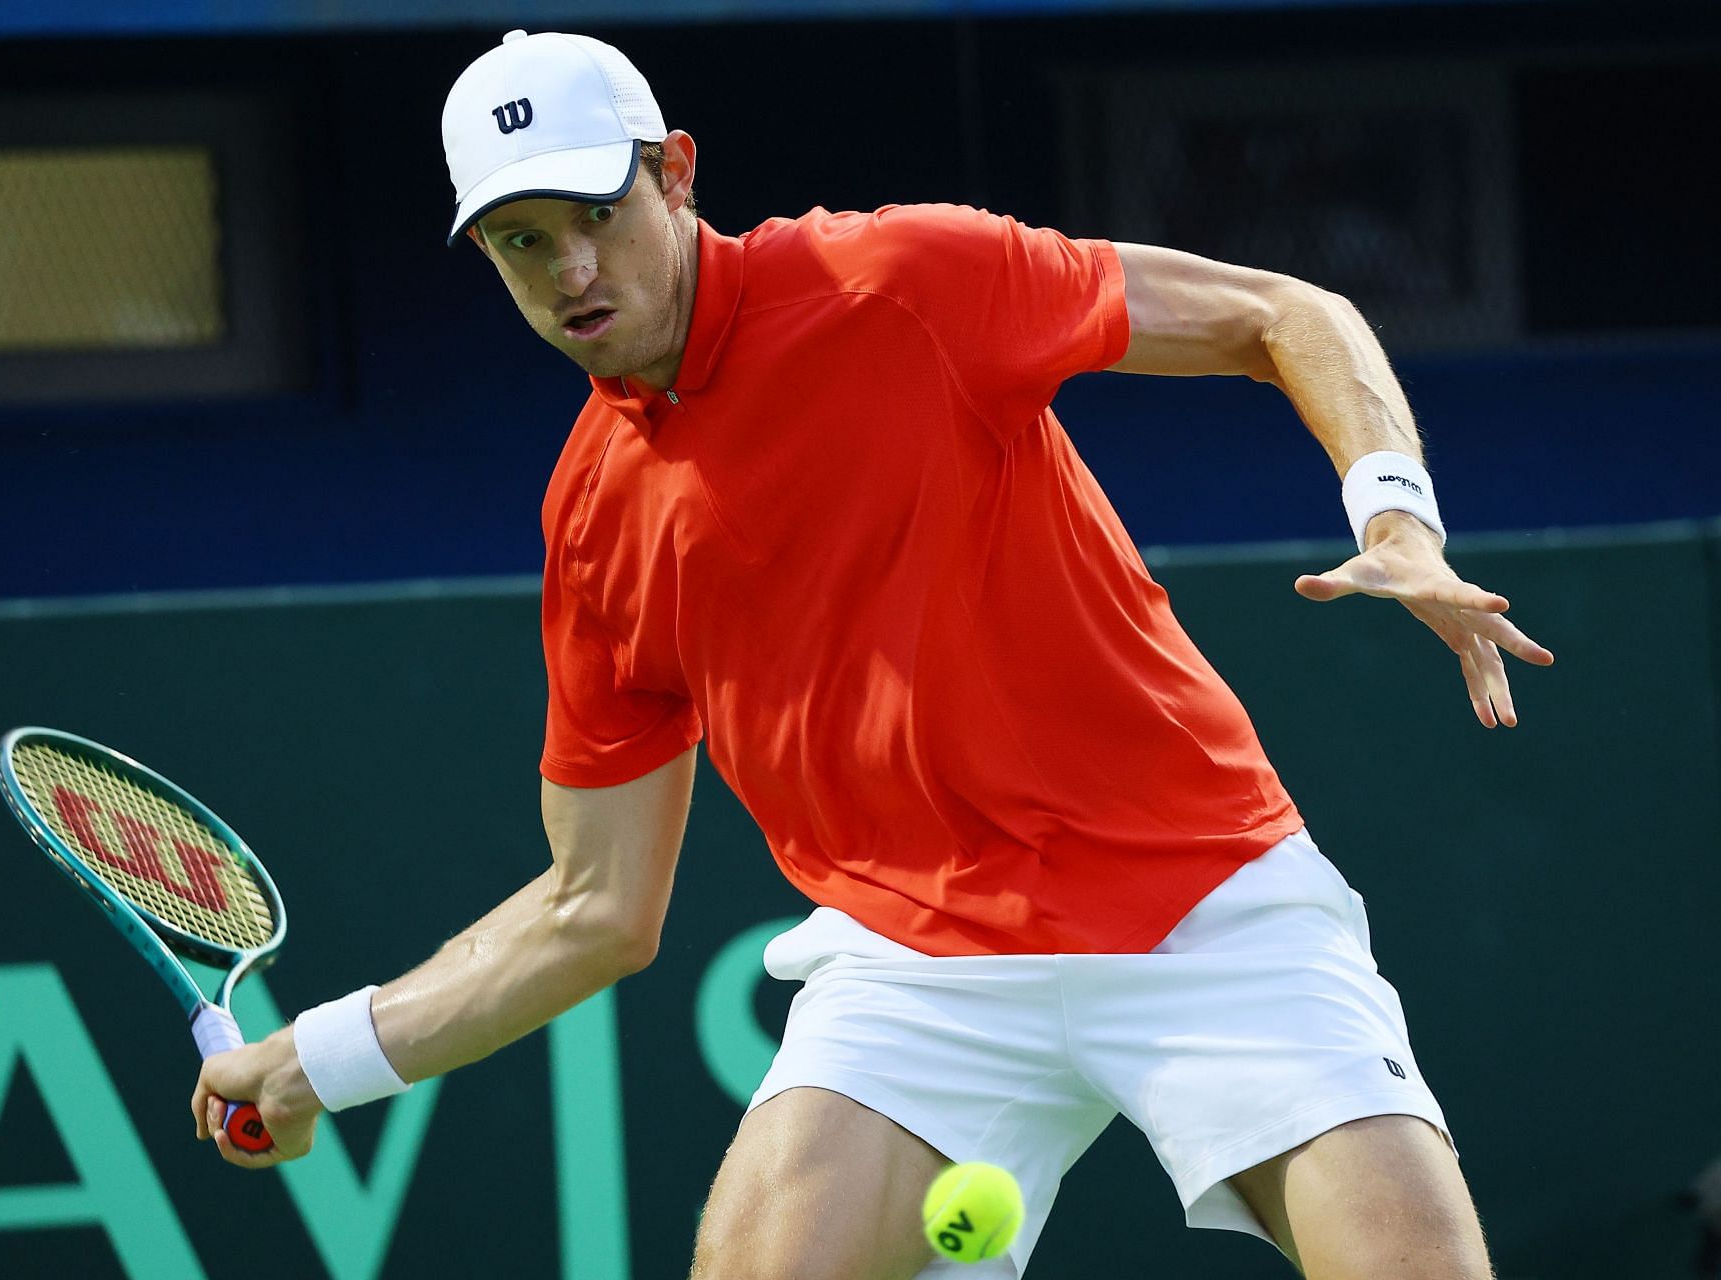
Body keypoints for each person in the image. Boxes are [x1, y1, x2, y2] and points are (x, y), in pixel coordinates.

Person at [192, 28, 1554, 1280]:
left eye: (595, 216)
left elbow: (1278, 312)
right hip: (917, 965)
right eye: (519, 245)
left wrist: (1398, 516)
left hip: (1201, 900)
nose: (573, 276)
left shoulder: (898, 280)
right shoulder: (595, 522)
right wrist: (325, 1060)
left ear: (674, 174)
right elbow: (593, 912)